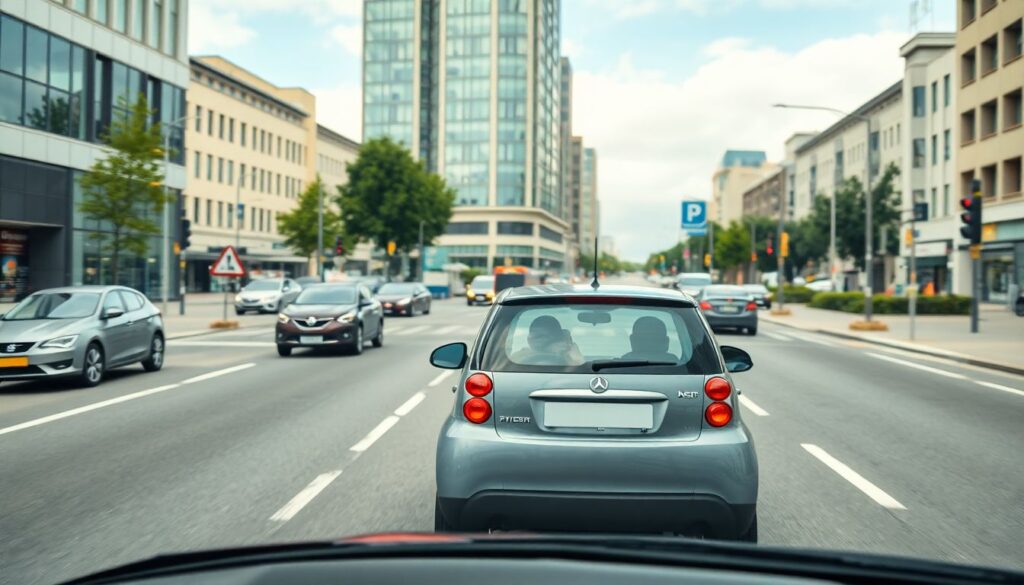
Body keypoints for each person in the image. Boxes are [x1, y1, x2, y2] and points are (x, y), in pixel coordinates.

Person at [510, 315, 584, 365]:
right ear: (529, 338)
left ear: (557, 338)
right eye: (534, 336)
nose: (536, 340)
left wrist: (567, 353)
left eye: (542, 336)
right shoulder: (519, 356)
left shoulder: (569, 353)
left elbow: (581, 372)